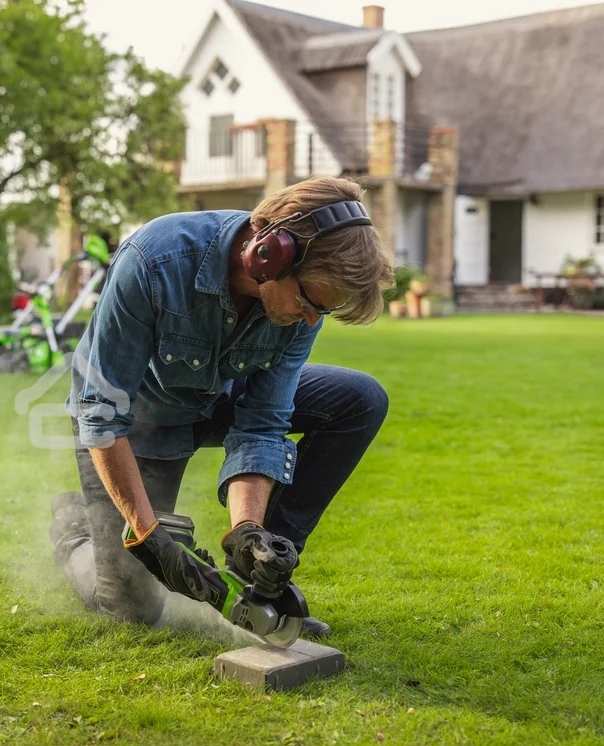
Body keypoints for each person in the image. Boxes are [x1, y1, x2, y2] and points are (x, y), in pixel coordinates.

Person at [50, 176, 395, 638]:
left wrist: (247, 530)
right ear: (269, 253)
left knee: (358, 400)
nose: (313, 319)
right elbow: (101, 412)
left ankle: (260, 572)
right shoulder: (154, 260)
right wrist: (148, 534)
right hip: (138, 422)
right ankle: (75, 530)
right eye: (312, 300)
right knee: (131, 605)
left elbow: (264, 420)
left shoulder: (302, 307)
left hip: (219, 397)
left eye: (324, 311)